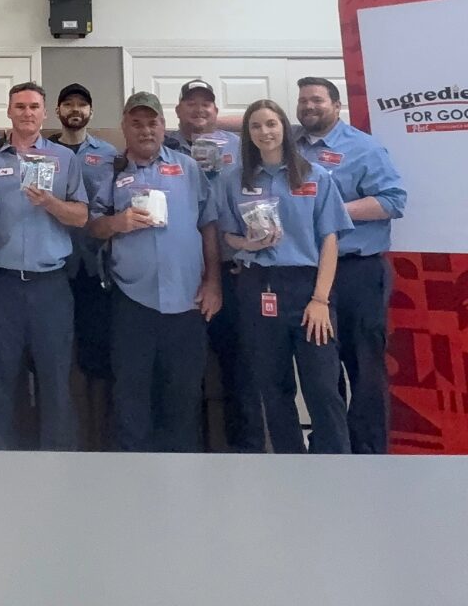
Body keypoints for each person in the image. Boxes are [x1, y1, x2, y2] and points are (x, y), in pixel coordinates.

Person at [88, 92, 222, 453]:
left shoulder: (188, 167)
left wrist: (213, 283)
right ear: (124, 128)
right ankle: (135, 478)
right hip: (133, 301)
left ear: (164, 126)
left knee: (183, 393)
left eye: (152, 122)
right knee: (131, 393)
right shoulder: (112, 172)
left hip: (188, 300)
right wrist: (118, 222)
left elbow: (209, 224)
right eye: (137, 123)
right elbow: (94, 227)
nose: (145, 130)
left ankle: (182, 475)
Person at [217, 99, 352, 453]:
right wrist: (246, 241)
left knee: (323, 387)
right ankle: (289, 469)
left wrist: (321, 299)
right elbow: (226, 237)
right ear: (248, 134)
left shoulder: (315, 176)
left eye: (272, 124)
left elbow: (330, 240)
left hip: (308, 289)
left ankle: (338, 467)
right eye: (257, 126)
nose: (265, 132)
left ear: (284, 129)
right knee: (273, 388)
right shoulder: (234, 181)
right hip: (258, 285)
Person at [0, 83, 88, 450]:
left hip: (49, 286)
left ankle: (57, 463)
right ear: (8, 111)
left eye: (34, 107)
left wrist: (51, 203)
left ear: (44, 113)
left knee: (55, 380)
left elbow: (82, 216)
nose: (27, 113)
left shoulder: (64, 159)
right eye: (20, 106)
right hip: (0, 284)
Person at [295, 77, 406, 454]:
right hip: (310, 276)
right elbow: (249, 120)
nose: (309, 107)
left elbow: (393, 201)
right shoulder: (289, 147)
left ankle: (370, 453)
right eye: (303, 100)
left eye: (317, 100)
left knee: (364, 369)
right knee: (321, 372)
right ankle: (331, 448)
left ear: (337, 106)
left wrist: (334, 212)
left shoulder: (364, 148)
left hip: (358, 272)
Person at [164, 78, 262, 452]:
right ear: (177, 110)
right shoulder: (162, 146)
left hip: (234, 274)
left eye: (207, 104)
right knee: (185, 372)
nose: (199, 110)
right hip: (183, 278)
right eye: (191, 103)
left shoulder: (240, 147)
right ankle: (191, 450)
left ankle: (246, 451)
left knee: (241, 368)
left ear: (217, 111)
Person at [47, 83, 119, 451]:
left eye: (82, 104)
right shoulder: (43, 155)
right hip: (55, 267)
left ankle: (98, 439)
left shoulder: (108, 154)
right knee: (54, 358)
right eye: (68, 104)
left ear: (91, 111)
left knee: (96, 355)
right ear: (56, 111)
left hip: (95, 269)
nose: (75, 110)